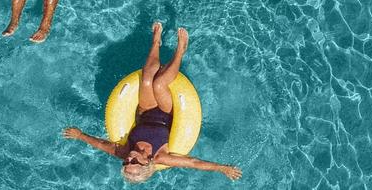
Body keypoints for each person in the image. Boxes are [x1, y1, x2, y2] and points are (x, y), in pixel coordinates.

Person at [63, 23, 242, 183]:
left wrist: (80, 135)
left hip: (146, 110)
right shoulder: (160, 157)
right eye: (134, 162)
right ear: (146, 162)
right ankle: (180, 51)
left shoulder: (124, 152)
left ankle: (156, 42)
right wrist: (222, 168)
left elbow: (102, 145)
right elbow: (193, 162)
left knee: (148, 79)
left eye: (126, 163)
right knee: (159, 84)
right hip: (166, 112)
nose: (129, 159)